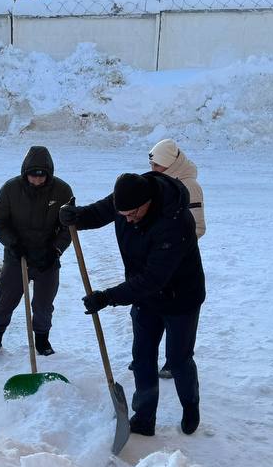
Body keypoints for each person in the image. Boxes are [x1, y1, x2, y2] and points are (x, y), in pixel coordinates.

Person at [59, 171, 205, 436]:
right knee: (142, 357)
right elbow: (99, 212)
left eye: (132, 214)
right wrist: (76, 217)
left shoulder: (174, 223)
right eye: (122, 214)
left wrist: (107, 297)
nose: (127, 219)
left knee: (178, 358)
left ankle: (190, 406)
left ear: (148, 201)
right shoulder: (127, 199)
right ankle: (144, 417)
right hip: (146, 299)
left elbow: (154, 278)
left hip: (180, 298)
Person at [0, 145, 74, 359]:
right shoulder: (10, 189)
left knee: (44, 303)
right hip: (17, 255)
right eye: (32, 176)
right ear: (25, 172)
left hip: (48, 256)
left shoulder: (62, 191)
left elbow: (68, 228)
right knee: (6, 299)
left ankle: (42, 340)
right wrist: (13, 244)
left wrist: (55, 250)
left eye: (42, 176)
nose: (37, 181)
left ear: (49, 173)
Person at [149, 138, 205, 380]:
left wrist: (172, 248)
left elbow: (198, 226)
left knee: (180, 316)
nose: (153, 171)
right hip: (156, 258)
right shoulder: (157, 183)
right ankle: (144, 357)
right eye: (152, 166)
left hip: (180, 263)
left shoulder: (190, 186)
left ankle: (175, 361)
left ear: (171, 165)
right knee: (149, 309)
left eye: (158, 167)